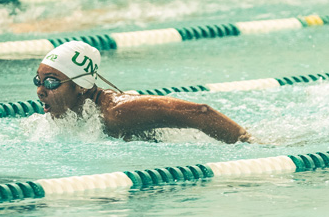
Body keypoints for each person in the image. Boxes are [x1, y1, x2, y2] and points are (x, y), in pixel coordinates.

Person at [35, 41, 253, 144]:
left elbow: (201, 113)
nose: (40, 91)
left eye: (52, 82)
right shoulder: (75, 112)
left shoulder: (117, 112)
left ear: (81, 85)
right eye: (38, 80)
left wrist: (248, 144)